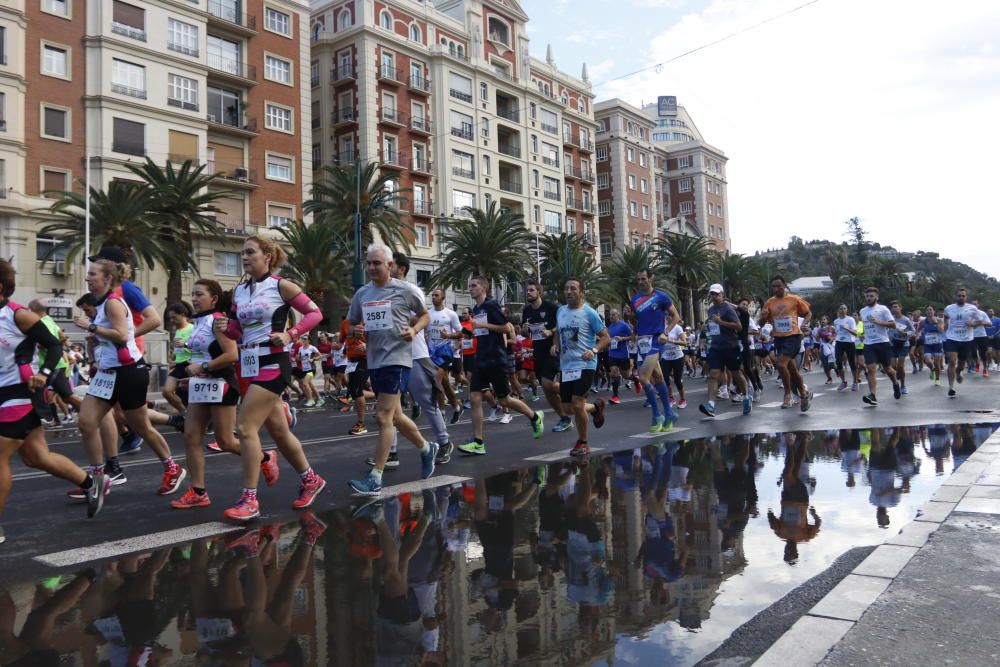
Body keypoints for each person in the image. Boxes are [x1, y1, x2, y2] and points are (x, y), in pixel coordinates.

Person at [218, 235, 326, 520]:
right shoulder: (239, 291)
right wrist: (226, 327)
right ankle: (311, 479)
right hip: (249, 363)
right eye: (242, 253)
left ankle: (249, 500)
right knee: (279, 432)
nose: (244, 257)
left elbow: (315, 314)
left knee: (244, 427)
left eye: (250, 252)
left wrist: (290, 334)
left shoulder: (281, 286)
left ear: (267, 256)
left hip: (274, 362)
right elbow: (237, 332)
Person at [0, 261, 107, 539]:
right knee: (37, 457)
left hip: (20, 392)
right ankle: (90, 483)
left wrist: (44, 374)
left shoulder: (18, 316)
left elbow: (54, 344)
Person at [72, 258, 187, 516]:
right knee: (86, 422)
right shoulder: (100, 305)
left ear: (107, 279)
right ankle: (99, 478)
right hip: (107, 374)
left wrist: (91, 327)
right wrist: (95, 340)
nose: (87, 278)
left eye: (92, 274)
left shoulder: (112, 303)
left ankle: (172, 467)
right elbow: (108, 337)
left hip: (128, 373)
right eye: (88, 274)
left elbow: (123, 335)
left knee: (141, 426)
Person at [346, 244, 439, 497]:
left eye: (377, 263)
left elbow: (425, 316)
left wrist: (414, 330)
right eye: (369, 263)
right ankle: (426, 448)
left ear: (390, 265)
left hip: (398, 359)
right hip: (374, 359)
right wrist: (353, 331)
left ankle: (375, 477)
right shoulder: (362, 294)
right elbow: (351, 323)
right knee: (395, 416)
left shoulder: (405, 290)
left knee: (383, 417)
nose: (372, 267)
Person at [170, 280, 242, 510]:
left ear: (214, 298)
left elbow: (232, 354)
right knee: (191, 436)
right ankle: (198, 492)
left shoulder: (217, 321)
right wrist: (190, 377)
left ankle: (263, 457)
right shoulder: (198, 322)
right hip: (201, 385)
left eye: (199, 294)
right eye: (192, 294)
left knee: (225, 441)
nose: (194, 298)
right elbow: (200, 356)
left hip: (222, 384)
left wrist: (202, 369)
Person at [456, 276, 544, 456]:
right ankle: (478, 442)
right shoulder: (477, 308)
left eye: (473, 286)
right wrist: (461, 334)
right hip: (481, 359)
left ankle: (535, 417)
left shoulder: (491, 305)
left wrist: (482, 325)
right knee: (474, 397)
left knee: (505, 400)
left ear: (484, 288)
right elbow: (479, 331)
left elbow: (506, 328)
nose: (470, 288)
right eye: (469, 285)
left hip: (495, 359)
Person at [551, 277, 609, 457]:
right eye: (566, 289)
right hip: (566, 366)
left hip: (585, 364)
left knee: (577, 403)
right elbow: (558, 332)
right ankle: (595, 408)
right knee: (568, 408)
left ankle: (583, 442)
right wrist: (555, 345)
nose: (569, 292)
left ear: (581, 293)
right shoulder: (560, 311)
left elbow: (606, 337)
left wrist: (594, 349)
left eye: (573, 289)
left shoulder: (589, 313)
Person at [630, 268, 681, 432]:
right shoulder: (635, 299)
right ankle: (669, 413)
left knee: (643, 377)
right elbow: (637, 319)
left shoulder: (661, 296)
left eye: (643, 279)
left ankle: (656, 415)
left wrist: (665, 333)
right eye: (638, 279)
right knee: (658, 378)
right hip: (642, 342)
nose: (640, 282)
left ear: (651, 278)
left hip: (656, 340)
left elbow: (676, 317)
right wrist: (634, 332)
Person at [757, 275, 812, 411]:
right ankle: (804, 394)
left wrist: (804, 325)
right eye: (773, 286)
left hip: (793, 336)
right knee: (792, 369)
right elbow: (761, 323)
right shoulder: (769, 302)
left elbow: (808, 313)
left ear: (784, 285)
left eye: (778, 286)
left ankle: (787, 395)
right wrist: (763, 317)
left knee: (780, 364)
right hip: (779, 338)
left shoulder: (794, 299)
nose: (776, 289)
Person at [522, 280, 571, 431]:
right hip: (537, 352)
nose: (528, 292)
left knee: (547, 383)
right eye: (527, 290)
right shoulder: (527, 311)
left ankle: (572, 392)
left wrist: (551, 331)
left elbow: (562, 325)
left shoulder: (551, 307)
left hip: (552, 349)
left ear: (539, 292)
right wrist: (524, 330)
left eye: (531, 290)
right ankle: (564, 418)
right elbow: (526, 334)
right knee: (546, 388)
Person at [26, 299, 82, 424]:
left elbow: (51, 343)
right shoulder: (49, 320)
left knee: (66, 396)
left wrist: (34, 342)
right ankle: (47, 418)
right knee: (60, 396)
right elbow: (60, 339)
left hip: (53, 365)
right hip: (53, 364)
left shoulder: (43, 323)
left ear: (33, 310)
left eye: (29, 310)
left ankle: (89, 415)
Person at [699, 284, 751, 417]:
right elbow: (713, 326)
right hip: (716, 347)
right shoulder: (710, 310)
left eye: (717, 294)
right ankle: (711, 404)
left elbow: (738, 326)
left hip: (730, 347)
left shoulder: (727, 309)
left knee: (736, 374)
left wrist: (721, 322)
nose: (714, 296)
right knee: (713, 374)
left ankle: (745, 397)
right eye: (712, 294)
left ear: (722, 294)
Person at [858, 287, 900, 406]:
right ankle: (873, 395)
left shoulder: (883, 309)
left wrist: (879, 322)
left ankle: (895, 383)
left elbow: (893, 324)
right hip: (869, 344)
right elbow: (866, 326)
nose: (869, 298)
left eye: (871, 296)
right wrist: (863, 334)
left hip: (882, 342)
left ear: (876, 297)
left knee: (888, 369)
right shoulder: (862, 311)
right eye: (867, 296)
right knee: (871, 369)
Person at [427, 288, 464, 424]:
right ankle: (457, 407)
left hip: (445, 352)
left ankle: (441, 413)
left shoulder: (451, 314)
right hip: (432, 352)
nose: (434, 297)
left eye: (436, 295)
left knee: (436, 380)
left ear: (443, 297)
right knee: (445, 384)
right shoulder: (428, 313)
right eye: (432, 295)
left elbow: (461, 333)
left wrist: (448, 336)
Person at [943, 287, 983, 398]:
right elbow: (945, 317)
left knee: (961, 363)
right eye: (959, 295)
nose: (961, 297)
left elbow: (980, 321)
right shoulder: (949, 308)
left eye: (963, 296)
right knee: (952, 361)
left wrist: (972, 324)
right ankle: (951, 387)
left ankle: (959, 371)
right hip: (952, 338)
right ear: (955, 296)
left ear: (966, 297)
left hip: (966, 339)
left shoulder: (972, 308)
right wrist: (945, 324)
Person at [340, 316, 372, 435]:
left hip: (366, 358)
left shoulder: (368, 321)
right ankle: (381, 401)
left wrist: (367, 345)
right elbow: (341, 340)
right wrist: (338, 345)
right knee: (354, 390)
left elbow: (380, 339)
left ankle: (361, 423)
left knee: (358, 390)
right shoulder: (345, 323)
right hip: (352, 361)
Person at [163, 302, 194, 413]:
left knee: (190, 397)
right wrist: (173, 360)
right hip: (179, 365)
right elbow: (178, 350)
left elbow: (199, 347)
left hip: (190, 365)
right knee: (167, 391)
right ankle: (185, 413)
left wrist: (184, 344)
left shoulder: (192, 328)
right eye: (170, 318)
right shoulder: (178, 331)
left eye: (174, 317)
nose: (172, 321)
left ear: (183, 314)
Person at [605, 309, 632, 405]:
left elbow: (633, 336)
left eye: (613, 315)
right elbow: (607, 338)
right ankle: (615, 396)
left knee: (626, 375)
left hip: (623, 354)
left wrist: (622, 338)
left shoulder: (624, 325)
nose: (611, 317)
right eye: (610, 315)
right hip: (612, 354)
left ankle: (636, 380)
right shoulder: (610, 327)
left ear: (618, 315)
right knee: (613, 373)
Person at [832, 304, 860, 391]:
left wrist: (846, 328)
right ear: (838, 310)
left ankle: (855, 382)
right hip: (839, 342)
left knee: (852, 363)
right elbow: (837, 333)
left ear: (847, 310)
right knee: (838, 362)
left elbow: (855, 333)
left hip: (849, 342)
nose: (843, 310)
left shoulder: (850, 319)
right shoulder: (836, 321)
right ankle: (843, 382)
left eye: (844, 308)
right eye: (841, 309)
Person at [889, 301, 915, 395]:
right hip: (892, 344)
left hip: (903, 344)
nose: (894, 309)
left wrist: (905, 333)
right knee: (892, 366)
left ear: (900, 308)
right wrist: (889, 337)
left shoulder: (906, 320)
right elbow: (886, 329)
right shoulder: (890, 319)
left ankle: (903, 385)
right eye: (892, 307)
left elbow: (913, 331)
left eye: (896, 307)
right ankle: (896, 381)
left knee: (900, 366)